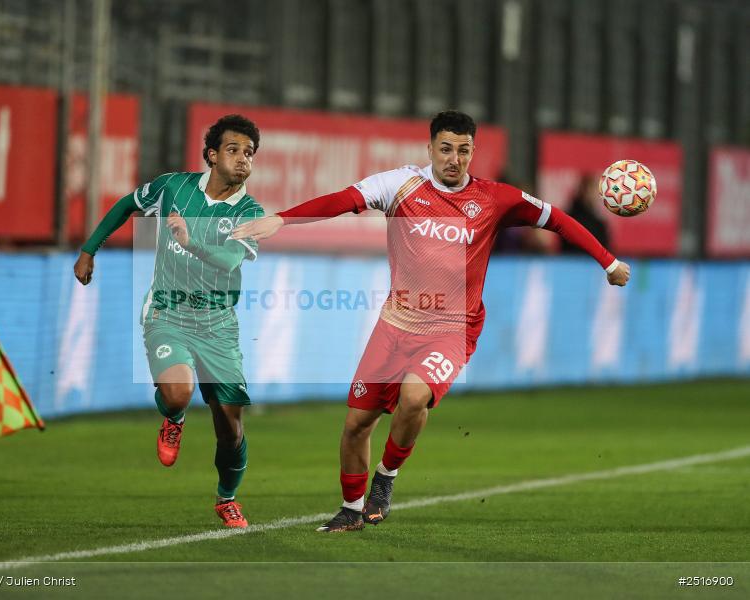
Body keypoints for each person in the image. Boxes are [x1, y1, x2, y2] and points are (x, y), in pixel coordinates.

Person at [232, 110, 631, 532]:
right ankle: (350, 510)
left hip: (452, 329)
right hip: (395, 324)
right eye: (445, 149)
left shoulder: (496, 198)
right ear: (430, 149)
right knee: (355, 425)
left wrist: (608, 262)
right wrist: (282, 219)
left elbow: (558, 220)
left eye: (463, 150)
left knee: (414, 395)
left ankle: (384, 479)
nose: (453, 159)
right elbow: (343, 200)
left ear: (473, 151)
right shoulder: (400, 184)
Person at [74, 114, 264, 529]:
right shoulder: (172, 187)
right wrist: (90, 249)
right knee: (179, 393)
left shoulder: (251, 211)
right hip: (168, 311)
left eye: (249, 153)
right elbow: (127, 204)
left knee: (230, 428)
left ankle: (226, 498)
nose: (243, 159)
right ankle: (174, 417)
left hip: (217, 324)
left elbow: (230, 259)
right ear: (212, 155)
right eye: (233, 150)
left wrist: (190, 242)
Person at [560, 174, 610, 253]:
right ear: (584, 191)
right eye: (593, 189)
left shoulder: (599, 222)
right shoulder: (572, 218)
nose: (596, 194)